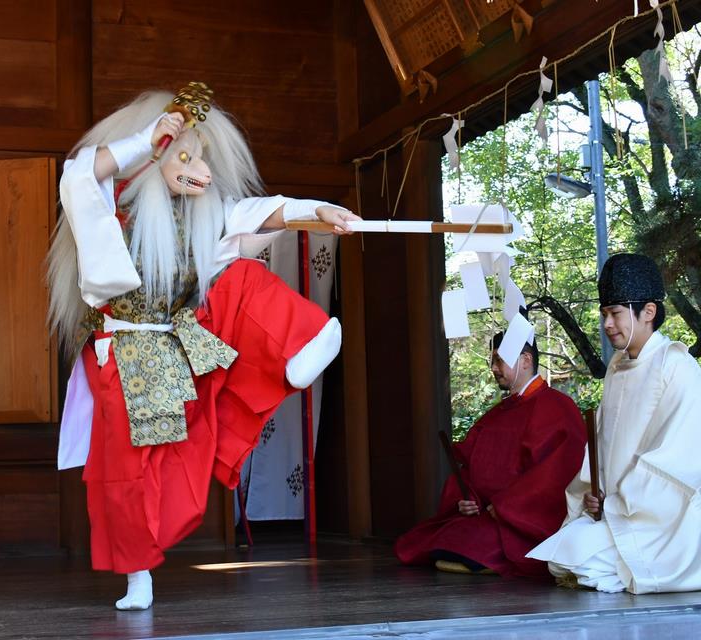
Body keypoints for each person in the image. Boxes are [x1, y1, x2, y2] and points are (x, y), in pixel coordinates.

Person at [47, 84, 360, 610]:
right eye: (185, 157)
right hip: (123, 359)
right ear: (157, 155)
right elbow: (79, 173)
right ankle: (138, 573)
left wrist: (317, 209)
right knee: (128, 473)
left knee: (242, 276)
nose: (202, 172)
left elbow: (259, 213)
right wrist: (148, 140)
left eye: (203, 159)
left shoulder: (200, 217)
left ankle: (300, 341)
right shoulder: (107, 213)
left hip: (183, 346)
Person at [528, 253, 701, 593]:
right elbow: (603, 444)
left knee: (577, 556)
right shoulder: (617, 367)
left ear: (648, 312)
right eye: (605, 314)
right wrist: (595, 492)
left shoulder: (676, 365)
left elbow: (680, 461)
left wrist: (618, 502)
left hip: (663, 521)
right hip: (617, 510)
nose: (607, 324)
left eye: (616, 314)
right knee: (561, 555)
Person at [395, 331, 586, 577]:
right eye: (493, 361)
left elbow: (555, 475)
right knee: (429, 542)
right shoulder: (498, 414)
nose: (494, 368)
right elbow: (468, 468)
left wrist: (506, 506)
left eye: (499, 360)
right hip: (487, 514)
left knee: (462, 547)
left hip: (521, 522)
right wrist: (467, 499)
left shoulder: (558, 407)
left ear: (526, 360)